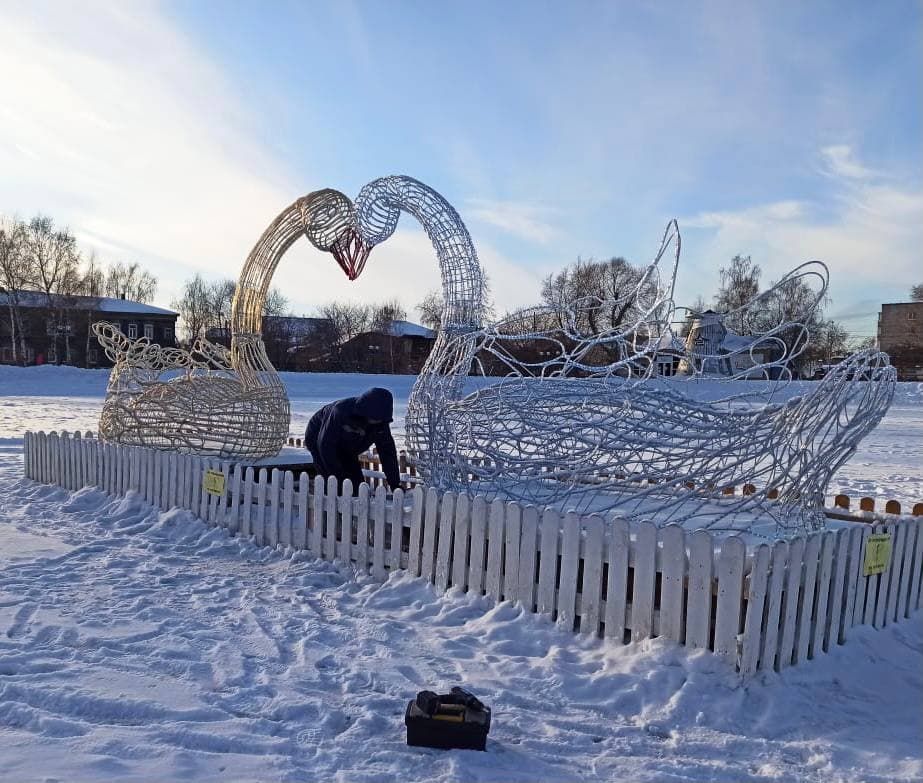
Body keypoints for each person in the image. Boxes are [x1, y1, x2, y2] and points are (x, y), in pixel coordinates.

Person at [305, 387, 402, 495]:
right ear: (365, 411)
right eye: (373, 418)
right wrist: (339, 477)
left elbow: (388, 453)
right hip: (318, 438)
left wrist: (395, 484)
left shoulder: (381, 425)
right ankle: (329, 506)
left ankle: (355, 504)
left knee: (357, 486)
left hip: (348, 447)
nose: (375, 422)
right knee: (334, 483)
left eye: (379, 419)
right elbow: (325, 446)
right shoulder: (341, 412)